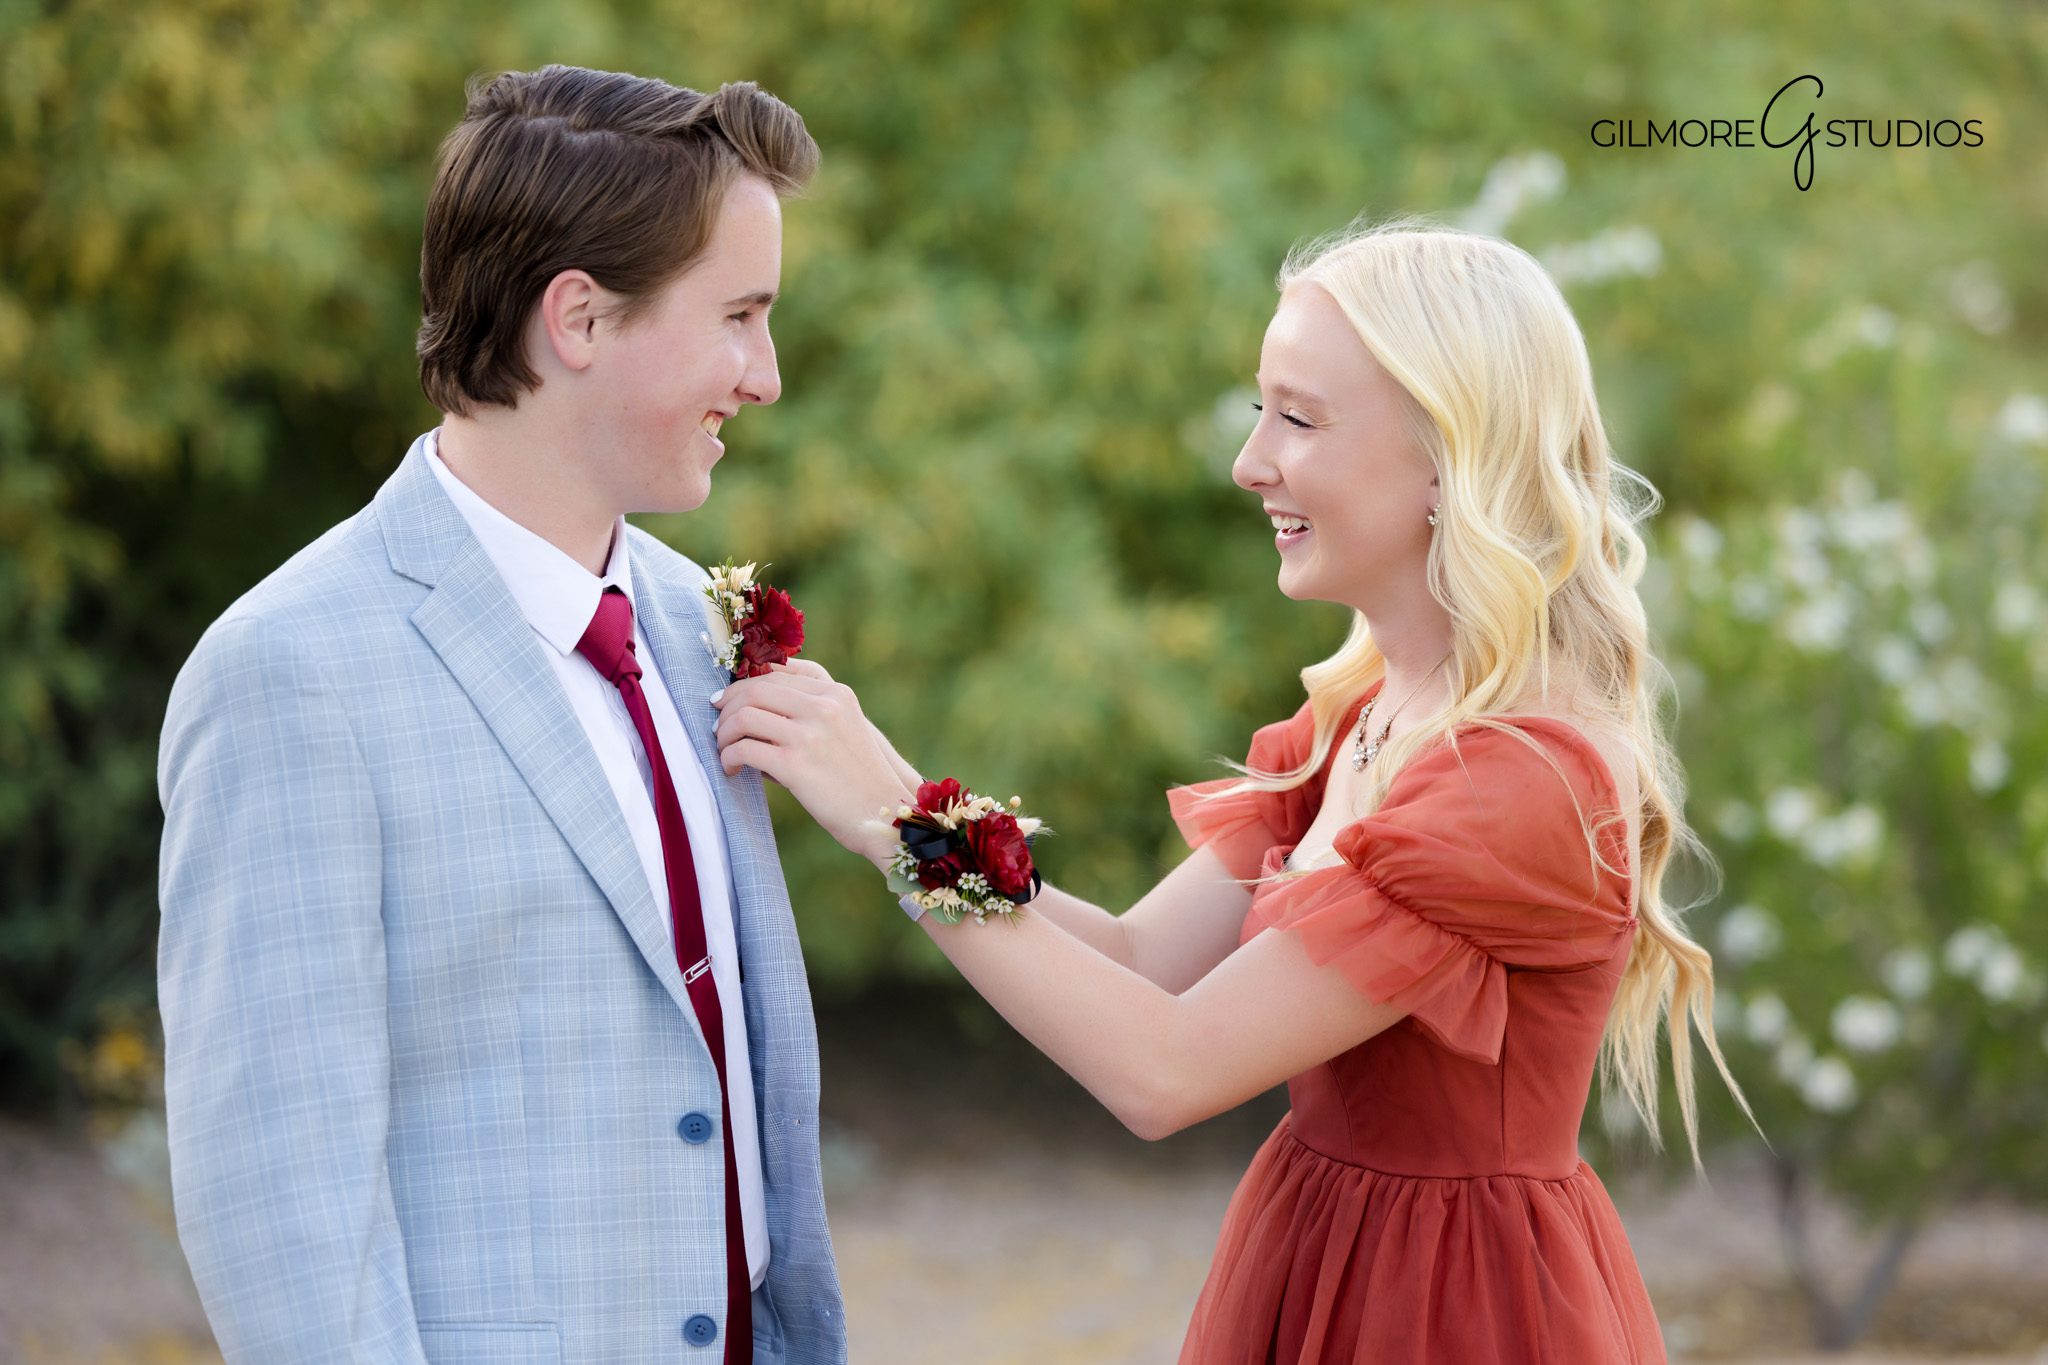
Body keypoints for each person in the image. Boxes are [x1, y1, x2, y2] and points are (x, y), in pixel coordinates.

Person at [711, 219, 1756, 1363]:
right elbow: (1134, 963)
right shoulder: (1355, 721)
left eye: (1297, 419)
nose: (1249, 462)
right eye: (1262, 411)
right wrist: (906, 798)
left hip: (1456, 1310)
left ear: (1446, 457)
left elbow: (1161, 1070)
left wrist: (895, 831)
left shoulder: (1517, 782)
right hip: (1319, 1261)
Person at [156, 66, 844, 1364]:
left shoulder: (695, 619)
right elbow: (282, 1211)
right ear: (577, 317)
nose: (764, 376)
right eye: (740, 317)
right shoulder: (290, 673)